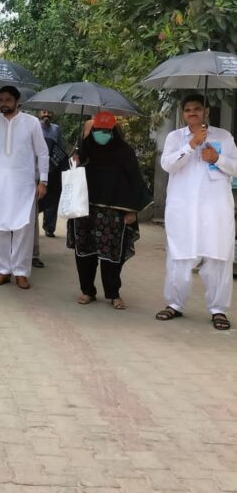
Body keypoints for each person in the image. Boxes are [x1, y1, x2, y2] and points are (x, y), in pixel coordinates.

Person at [157, 94, 236, 330]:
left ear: (206, 112)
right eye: (188, 110)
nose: (192, 113)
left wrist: (218, 157)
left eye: (197, 109)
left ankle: (218, 310)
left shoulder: (223, 136)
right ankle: (174, 304)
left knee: (217, 258)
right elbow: (168, 164)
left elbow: (235, 166)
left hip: (215, 208)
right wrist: (191, 145)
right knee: (179, 257)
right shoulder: (175, 137)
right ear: (183, 114)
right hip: (183, 207)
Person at [67, 112, 151, 309]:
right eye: (97, 130)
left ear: (114, 131)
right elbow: (72, 173)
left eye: (106, 131)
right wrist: (75, 161)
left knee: (112, 255)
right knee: (85, 252)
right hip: (85, 208)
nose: (101, 134)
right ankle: (87, 291)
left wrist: (132, 211)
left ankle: (113, 293)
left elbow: (135, 181)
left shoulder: (125, 151)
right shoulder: (84, 149)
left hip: (114, 211)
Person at [0, 85, 49, 289]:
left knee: (23, 228)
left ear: (17, 101)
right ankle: (2, 270)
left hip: (22, 184)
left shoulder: (31, 123)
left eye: (8, 100)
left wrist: (43, 180)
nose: (4, 104)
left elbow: (43, 153)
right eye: (1, 100)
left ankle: (21, 271)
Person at [38, 109, 65, 238]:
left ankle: (49, 228)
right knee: (37, 199)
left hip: (53, 169)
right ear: (39, 114)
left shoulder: (56, 129)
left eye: (49, 112)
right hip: (37, 169)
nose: (46, 115)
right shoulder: (35, 127)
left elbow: (60, 148)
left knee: (52, 199)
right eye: (44, 112)